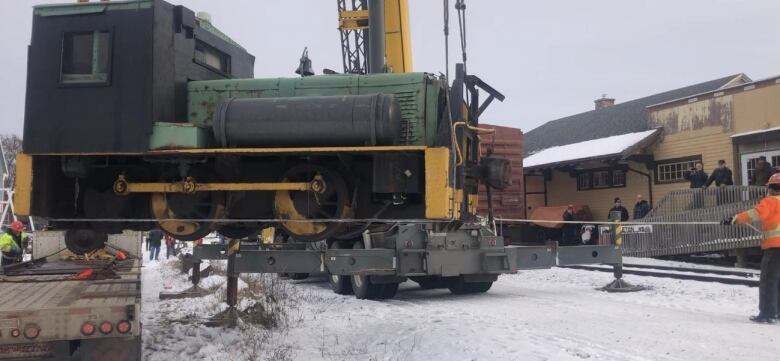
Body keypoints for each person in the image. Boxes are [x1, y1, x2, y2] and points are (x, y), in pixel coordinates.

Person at [724, 172, 780, 324]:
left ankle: (768, 314)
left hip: (775, 248)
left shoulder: (771, 201)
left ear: (771, 188)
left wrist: (735, 219)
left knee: (769, 280)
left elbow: (755, 213)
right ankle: (777, 312)